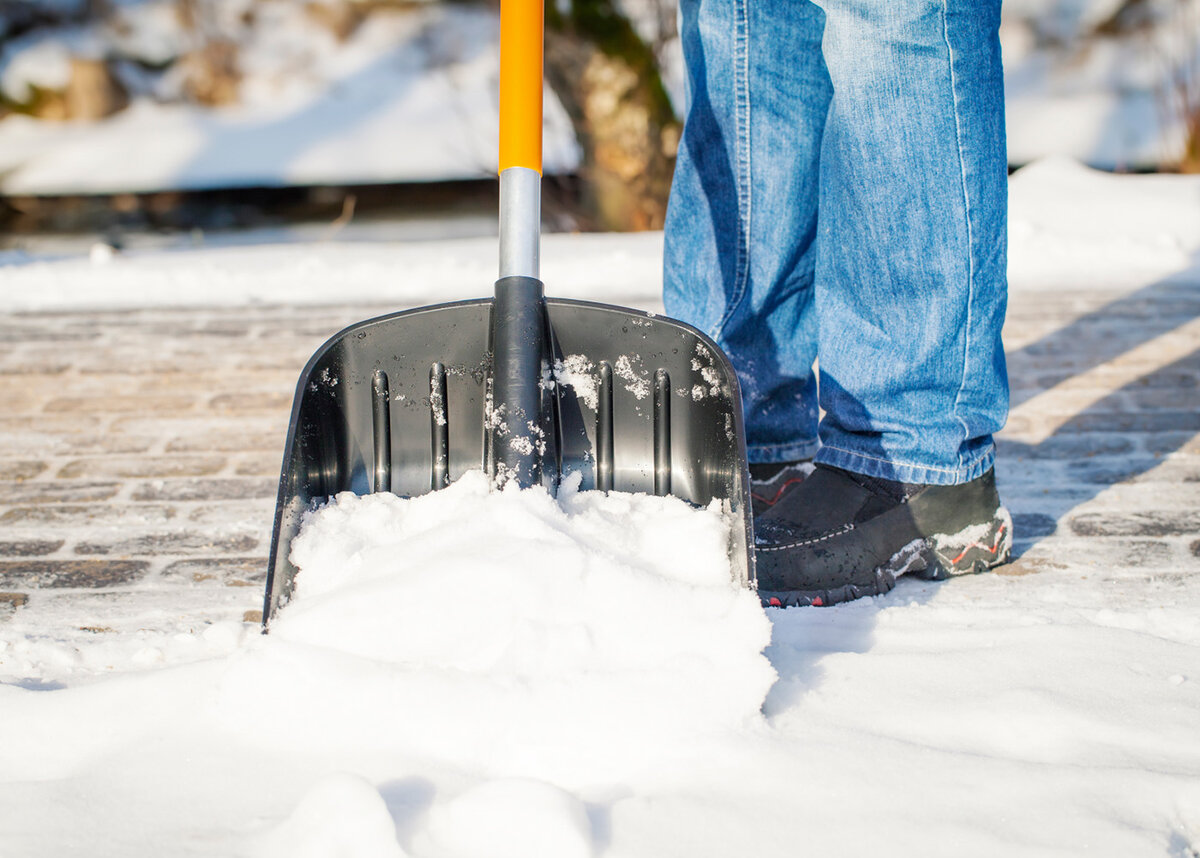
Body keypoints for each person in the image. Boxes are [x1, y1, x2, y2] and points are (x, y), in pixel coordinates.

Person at [663, 0, 1013, 606]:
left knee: (893, 17)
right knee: (748, 27)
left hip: (910, 458)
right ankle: (750, 424)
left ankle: (912, 457)